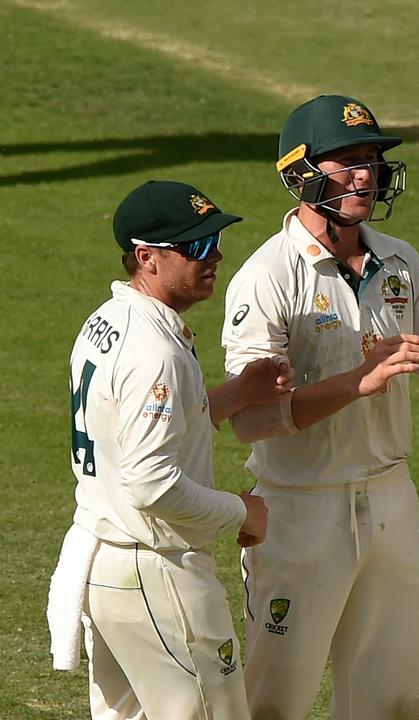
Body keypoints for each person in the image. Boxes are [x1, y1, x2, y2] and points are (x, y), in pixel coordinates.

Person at [220, 94, 419, 720]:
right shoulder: (267, 276)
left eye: (372, 160)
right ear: (301, 171)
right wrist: (355, 382)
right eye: (348, 161)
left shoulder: (399, 260)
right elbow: (249, 420)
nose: (366, 175)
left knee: (390, 704)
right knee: (275, 702)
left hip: (391, 502)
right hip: (299, 508)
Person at [51, 180, 288, 719]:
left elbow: (136, 427)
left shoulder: (107, 321)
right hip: (156, 574)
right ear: (147, 258)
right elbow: (152, 482)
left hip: (110, 568)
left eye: (214, 241)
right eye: (195, 247)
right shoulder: (152, 350)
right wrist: (241, 511)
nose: (215, 257)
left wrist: (235, 395)